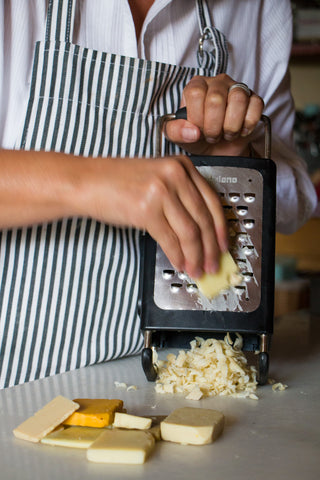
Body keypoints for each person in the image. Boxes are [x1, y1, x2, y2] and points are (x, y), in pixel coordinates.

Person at [0, 0, 317, 389]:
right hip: (17, 383)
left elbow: (294, 203)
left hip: (175, 379)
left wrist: (240, 160)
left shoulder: (261, 7)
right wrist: (92, 182)